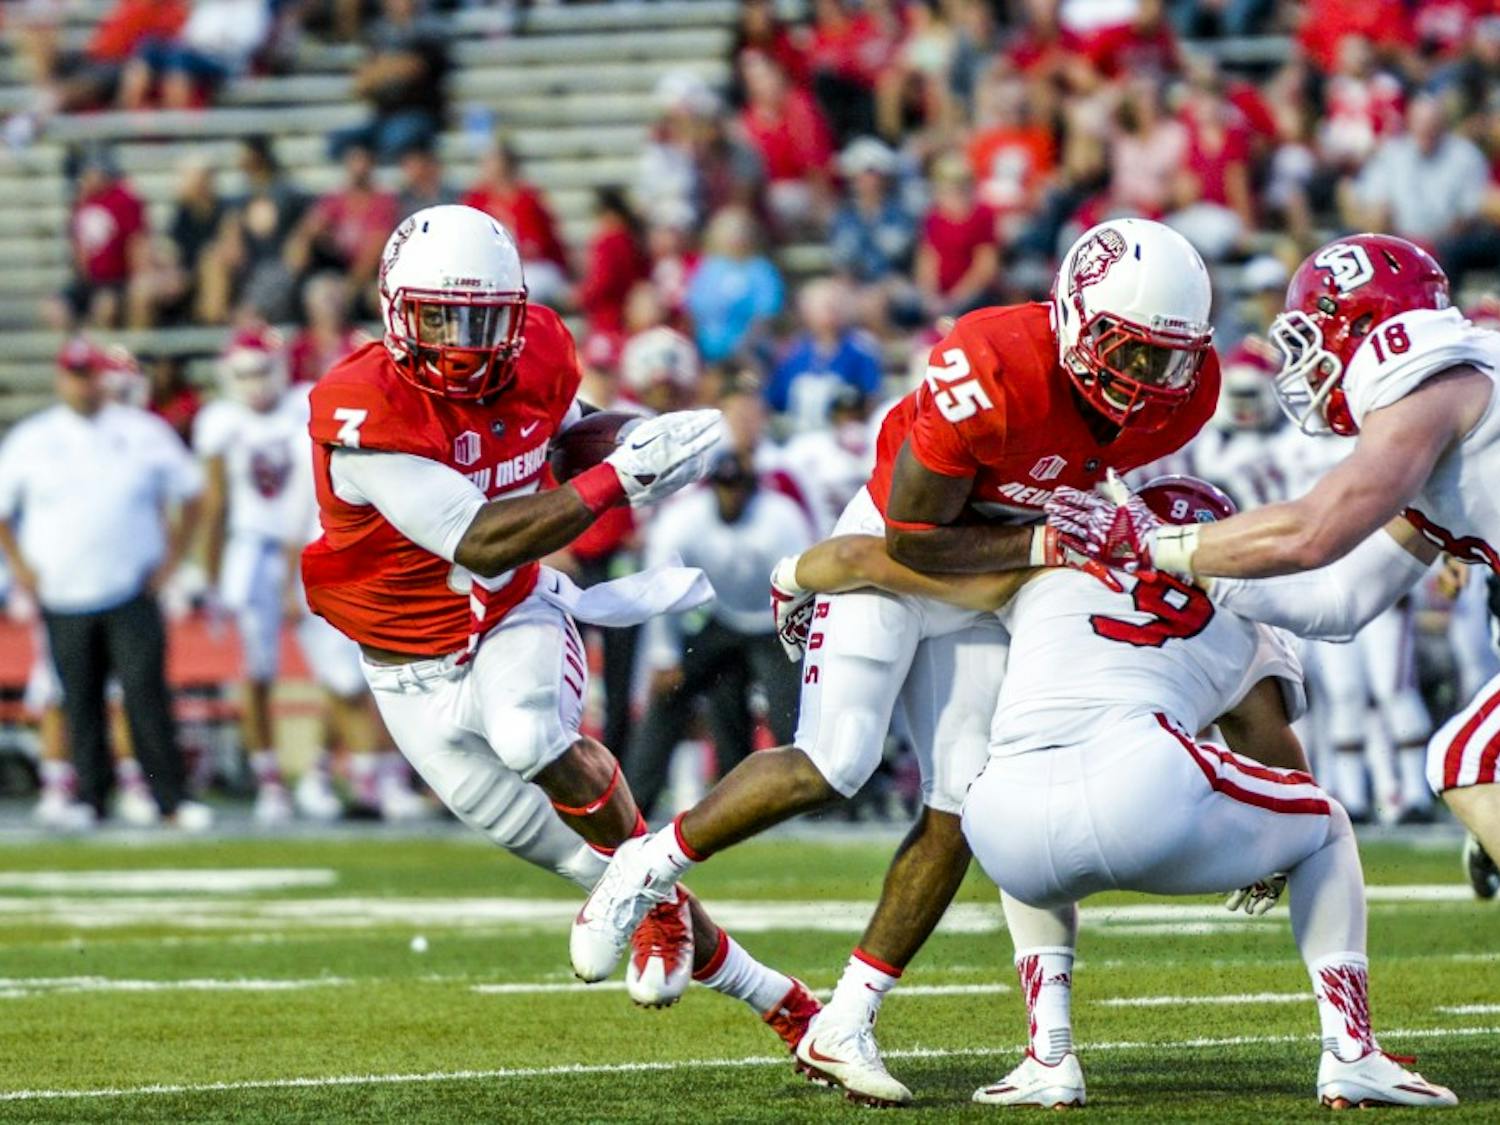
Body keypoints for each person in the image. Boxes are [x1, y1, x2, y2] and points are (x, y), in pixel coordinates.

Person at [571, 219, 1221, 1105]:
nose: (1146, 380)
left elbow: (1073, 489)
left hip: (998, 574)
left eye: (1165, 359)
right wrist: (1043, 542)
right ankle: (643, 867)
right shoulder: (992, 362)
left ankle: (846, 1018)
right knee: (836, 760)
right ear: (1073, 316)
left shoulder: (1185, 394)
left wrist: (1067, 538)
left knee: (970, 800)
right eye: (1128, 352)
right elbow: (916, 535)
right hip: (894, 549)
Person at [301, 204, 817, 1038]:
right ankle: (786, 1003)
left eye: (483, 320)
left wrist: (637, 441)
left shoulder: (539, 348)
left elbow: (567, 437)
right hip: (404, 670)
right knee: (588, 864)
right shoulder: (364, 413)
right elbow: (480, 536)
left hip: (509, 616)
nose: (464, 341)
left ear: (515, 315)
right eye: (441, 317)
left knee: (528, 733)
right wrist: (623, 479)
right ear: (398, 312)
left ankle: (649, 894)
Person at [785, 477, 1455, 1110]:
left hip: (1001, 820)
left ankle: (1049, 1056)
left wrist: (790, 576)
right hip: (1147, 787)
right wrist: (1270, 849)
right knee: (1327, 822)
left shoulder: (1047, 567)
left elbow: (855, 555)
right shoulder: (1244, 611)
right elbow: (1265, 741)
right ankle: (1352, 1049)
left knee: (1023, 772)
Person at [1044, 233, 1500, 901]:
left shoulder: (1429, 380)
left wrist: (1162, 544)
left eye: (1318, 335)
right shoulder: (1452, 405)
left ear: (1370, 327)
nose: (1310, 364)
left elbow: (1315, 531)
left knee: (1466, 760)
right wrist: (1201, 572)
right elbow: (1340, 598)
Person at [0, 338, 210, 829]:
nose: (82, 383)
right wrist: (22, 569)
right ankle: (90, 799)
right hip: (62, 590)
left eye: (89, 373)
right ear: (60, 378)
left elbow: (193, 493)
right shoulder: (33, 438)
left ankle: (171, 799)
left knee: (144, 695)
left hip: (131, 587)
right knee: (79, 698)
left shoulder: (143, 431)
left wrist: (172, 561)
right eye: (73, 374)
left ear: (102, 377)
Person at [626, 448, 814, 819]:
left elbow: (805, 588)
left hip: (776, 622)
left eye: (740, 487)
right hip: (721, 618)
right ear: (711, 488)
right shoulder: (682, 521)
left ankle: (813, 806)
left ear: (753, 488)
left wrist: (803, 646)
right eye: (725, 487)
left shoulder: (781, 518)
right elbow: (663, 589)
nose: (733, 496)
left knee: (792, 713)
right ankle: (634, 804)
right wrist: (665, 656)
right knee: (671, 694)